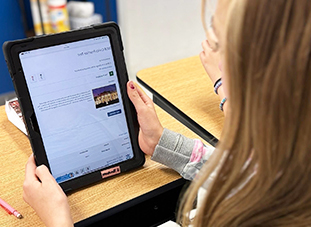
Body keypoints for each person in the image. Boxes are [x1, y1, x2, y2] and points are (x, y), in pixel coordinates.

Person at [23, 0, 311, 226]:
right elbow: (248, 170)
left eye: (222, 45)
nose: (215, 67)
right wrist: (161, 142)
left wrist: (58, 221)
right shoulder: (289, 154)